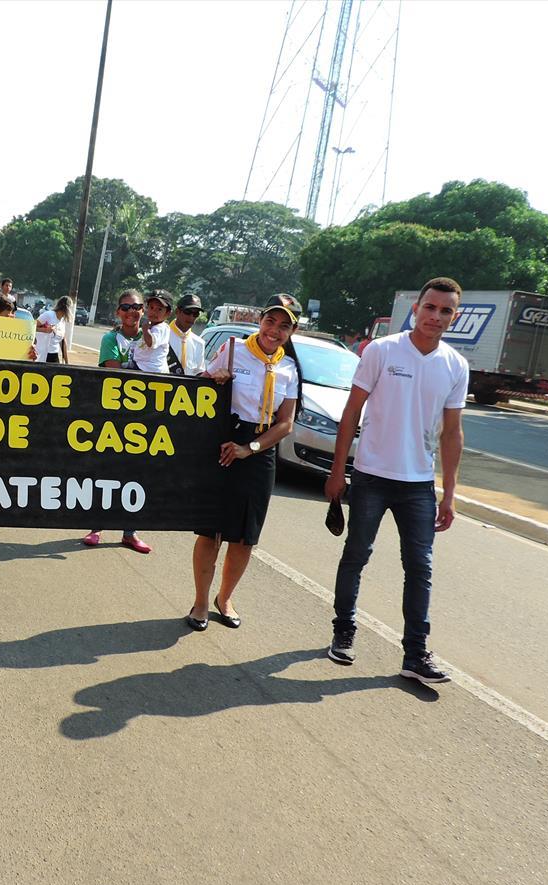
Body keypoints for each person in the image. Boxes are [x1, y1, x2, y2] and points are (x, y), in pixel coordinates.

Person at [324, 277, 468, 684]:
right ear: (416, 308)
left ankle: (416, 654)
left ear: (453, 317)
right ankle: (343, 632)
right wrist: (339, 471)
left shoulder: (456, 365)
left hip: (419, 485)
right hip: (371, 475)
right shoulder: (383, 350)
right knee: (356, 555)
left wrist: (450, 493)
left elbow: (453, 433)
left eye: (445, 311)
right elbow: (351, 412)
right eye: (430, 307)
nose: (435, 316)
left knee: (420, 568)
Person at [186, 294, 302, 631]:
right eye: (271, 321)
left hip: (259, 450)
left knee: (245, 537)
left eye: (284, 326)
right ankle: (201, 602)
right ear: (260, 320)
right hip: (223, 443)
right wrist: (214, 380)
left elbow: (285, 423)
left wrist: (249, 448)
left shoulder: (289, 368)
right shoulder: (233, 349)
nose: (274, 331)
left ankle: (226, 598)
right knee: (211, 530)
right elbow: (202, 390)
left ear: (292, 331)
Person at [83, 289, 151, 555]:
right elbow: (113, 370)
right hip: (112, 415)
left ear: (143, 310)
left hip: (143, 418)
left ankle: (129, 531)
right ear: (118, 312)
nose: (131, 312)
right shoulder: (111, 338)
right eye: (126, 307)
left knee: (134, 475)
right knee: (107, 472)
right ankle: (96, 527)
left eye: (136, 307)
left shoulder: (153, 339)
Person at [131, 290, 173, 373]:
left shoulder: (162, 328)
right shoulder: (152, 326)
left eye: (159, 309)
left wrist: (145, 331)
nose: (154, 312)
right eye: (151, 307)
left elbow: (151, 343)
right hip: (143, 366)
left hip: (152, 370)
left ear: (168, 313)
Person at [168, 294, 208, 376]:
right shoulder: (161, 335)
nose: (191, 317)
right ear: (177, 312)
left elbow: (199, 374)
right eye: (188, 312)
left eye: (195, 314)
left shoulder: (199, 343)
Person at [35, 295, 71, 363]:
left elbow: (63, 341)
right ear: (66, 307)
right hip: (42, 355)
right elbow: (32, 327)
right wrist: (44, 330)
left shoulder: (62, 321)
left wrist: (66, 362)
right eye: (70, 308)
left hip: (54, 355)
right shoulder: (49, 315)